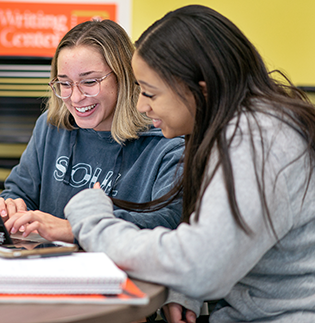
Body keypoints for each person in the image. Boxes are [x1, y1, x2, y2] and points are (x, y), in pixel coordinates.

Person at [65, 5, 315, 323]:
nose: (141, 106)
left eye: (150, 93)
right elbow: (218, 246)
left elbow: (202, 267)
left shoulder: (258, 139)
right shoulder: (247, 124)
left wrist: (93, 223)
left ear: (201, 91)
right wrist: (185, 287)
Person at [0, 19, 185, 243]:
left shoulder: (167, 139)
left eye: (89, 82)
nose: (75, 98)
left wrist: (75, 229)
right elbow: (17, 192)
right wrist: (12, 206)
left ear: (123, 78)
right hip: (47, 263)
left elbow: (168, 222)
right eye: (65, 84)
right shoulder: (50, 126)